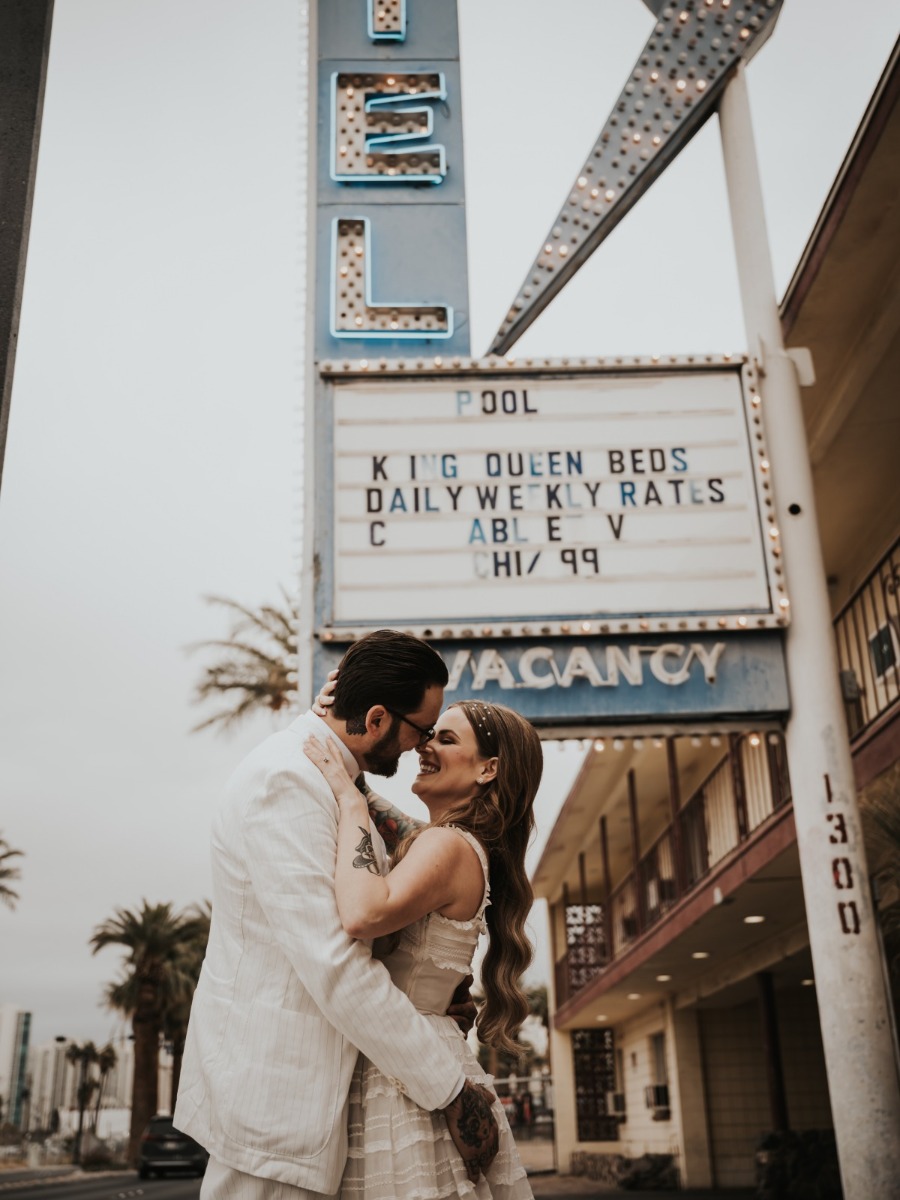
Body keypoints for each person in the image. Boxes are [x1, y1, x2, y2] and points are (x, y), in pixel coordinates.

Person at [174, 630, 499, 1199]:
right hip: (279, 1104)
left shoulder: (331, 778)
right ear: (375, 719)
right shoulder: (288, 781)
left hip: (331, 1103)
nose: (418, 747)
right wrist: (449, 1089)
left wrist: (432, 982)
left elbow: (417, 866)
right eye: (419, 730)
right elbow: (334, 962)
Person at [305, 689, 543, 1199]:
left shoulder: (449, 845)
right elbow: (388, 817)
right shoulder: (452, 842)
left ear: (488, 770)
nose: (423, 747)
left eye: (446, 738)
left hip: (405, 1077)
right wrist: (344, 709)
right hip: (423, 1056)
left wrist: (348, 801)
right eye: (428, 734)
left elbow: (365, 913)